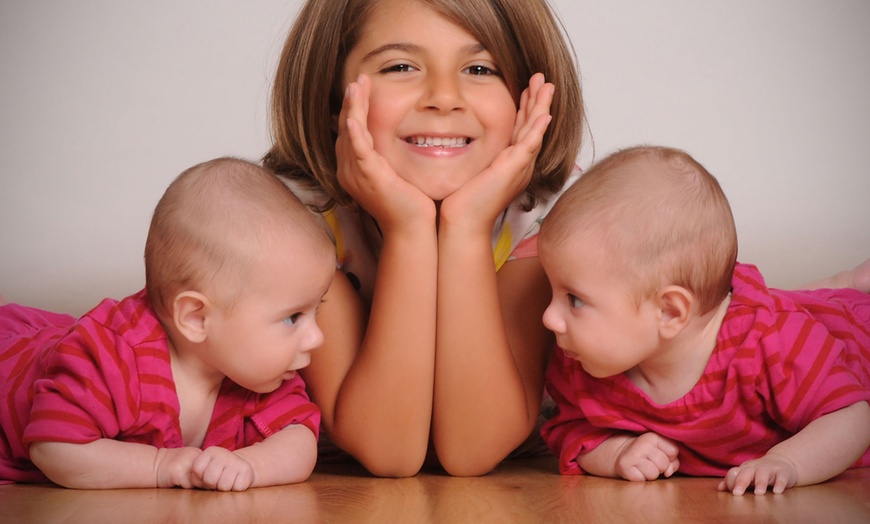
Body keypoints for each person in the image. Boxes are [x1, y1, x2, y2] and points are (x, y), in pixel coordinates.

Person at [262, 0, 584, 477]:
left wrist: (468, 227)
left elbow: (473, 449)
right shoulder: (294, 219)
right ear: (334, 100)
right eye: (401, 66)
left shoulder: (552, 218)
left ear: (525, 104)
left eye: (479, 68)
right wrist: (408, 229)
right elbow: (388, 450)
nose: (445, 97)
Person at [537, 145, 870, 495]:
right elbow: (568, 430)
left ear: (669, 312)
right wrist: (616, 453)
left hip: (851, 335)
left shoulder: (769, 344)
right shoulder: (581, 362)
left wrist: (787, 462)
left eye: (574, 299)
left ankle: (847, 284)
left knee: (814, 309)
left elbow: (851, 414)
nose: (548, 318)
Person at [0, 158, 336, 490]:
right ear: (196, 318)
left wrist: (249, 466)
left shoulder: (259, 374)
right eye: (293, 317)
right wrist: (160, 466)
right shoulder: (113, 358)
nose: (316, 338)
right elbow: (54, 448)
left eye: (315, 310)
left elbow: (299, 438)